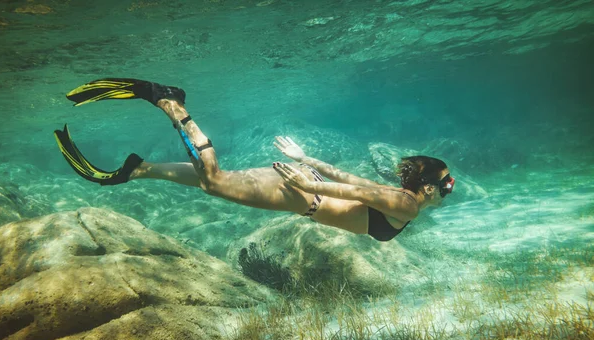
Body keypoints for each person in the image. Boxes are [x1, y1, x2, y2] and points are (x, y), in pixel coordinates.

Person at [55, 78, 455, 242]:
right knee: (214, 181)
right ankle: (171, 104)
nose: (449, 189)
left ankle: (139, 170)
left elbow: (351, 180)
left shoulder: (398, 196)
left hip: (305, 186)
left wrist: (307, 160)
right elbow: (349, 187)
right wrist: (308, 182)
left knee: (217, 180)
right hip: (303, 194)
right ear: (427, 185)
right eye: (447, 183)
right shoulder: (407, 206)